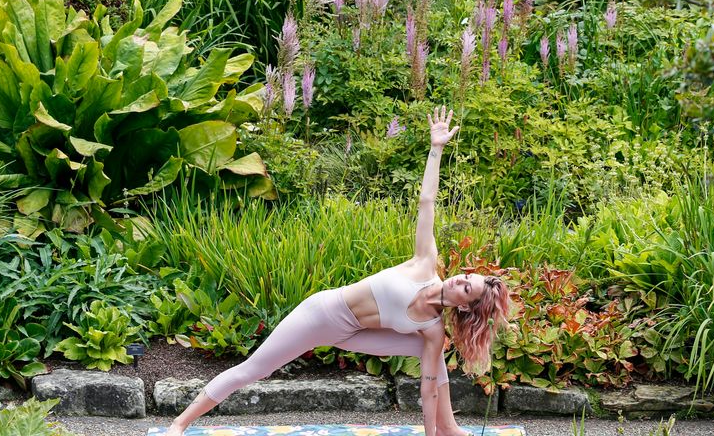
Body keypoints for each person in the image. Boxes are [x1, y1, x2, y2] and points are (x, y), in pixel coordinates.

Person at [165, 106, 511, 436]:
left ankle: (446, 429)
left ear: (465, 306)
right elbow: (427, 203)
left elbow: (429, 389)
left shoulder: (433, 329)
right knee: (254, 370)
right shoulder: (424, 263)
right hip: (322, 315)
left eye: (467, 289)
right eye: (466, 276)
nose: (459, 279)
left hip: (353, 334)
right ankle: (179, 425)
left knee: (430, 355)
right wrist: (436, 149)